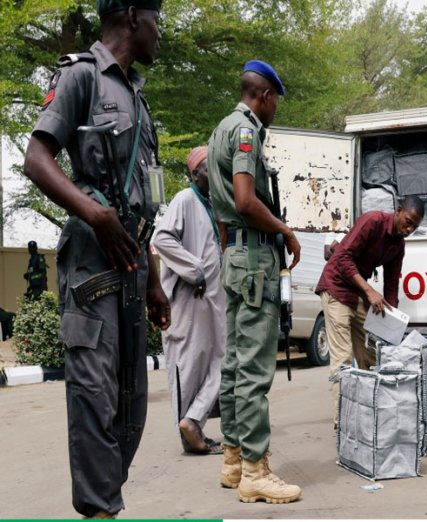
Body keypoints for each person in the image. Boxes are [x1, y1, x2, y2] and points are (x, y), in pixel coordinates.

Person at [22, 0, 171, 517]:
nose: (161, 32)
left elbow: (140, 198)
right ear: (132, 15)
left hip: (131, 264)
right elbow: (36, 157)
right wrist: (94, 214)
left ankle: (106, 500)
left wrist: (153, 278)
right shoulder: (82, 76)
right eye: (158, 18)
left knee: (131, 405)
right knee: (93, 395)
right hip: (91, 263)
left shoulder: (139, 99)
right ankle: (100, 509)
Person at [207, 59, 302, 504]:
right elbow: (245, 200)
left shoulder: (219, 129)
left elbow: (222, 208)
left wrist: (233, 252)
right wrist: (283, 229)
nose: (276, 108)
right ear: (263, 96)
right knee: (255, 369)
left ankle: (231, 459)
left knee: (234, 363)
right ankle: (255, 471)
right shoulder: (246, 131)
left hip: (234, 256)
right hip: (254, 259)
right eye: (276, 100)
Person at [315, 196, 424, 426]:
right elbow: (342, 257)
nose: (409, 229)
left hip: (357, 293)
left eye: (414, 226)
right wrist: (369, 291)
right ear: (399, 210)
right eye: (408, 222)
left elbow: (391, 285)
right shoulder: (372, 221)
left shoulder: (399, 245)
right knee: (343, 359)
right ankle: (343, 422)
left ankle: (369, 414)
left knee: (372, 355)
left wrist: (391, 321)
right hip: (335, 287)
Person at [151, 146, 225, 455]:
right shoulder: (184, 199)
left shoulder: (212, 204)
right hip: (187, 298)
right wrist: (194, 271)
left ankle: (193, 423)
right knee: (188, 366)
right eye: (210, 169)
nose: (216, 174)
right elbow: (161, 238)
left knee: (217, 359)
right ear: (195, 173)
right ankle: (191, 426)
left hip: (209, 300)